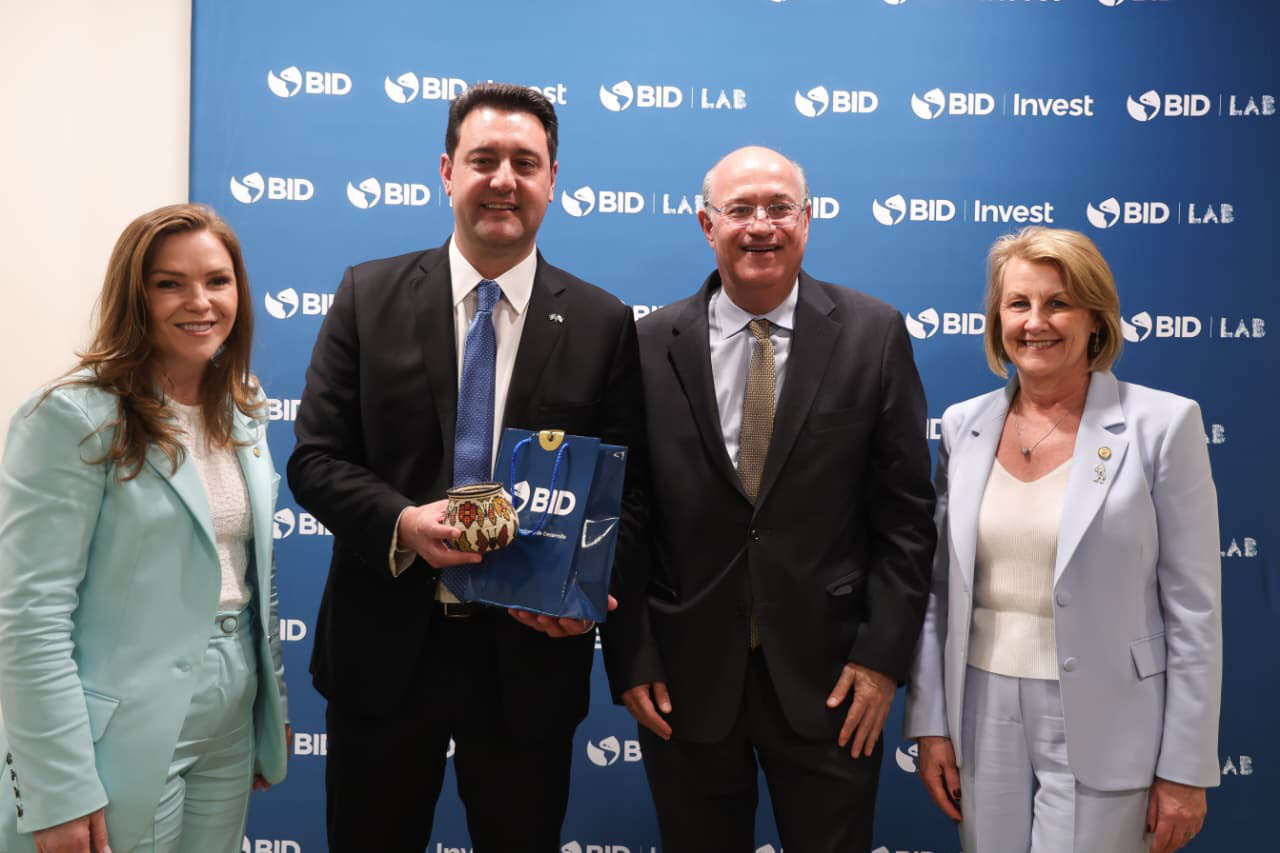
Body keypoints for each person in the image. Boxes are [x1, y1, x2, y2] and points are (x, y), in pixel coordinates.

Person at [287, 82, 645, 851]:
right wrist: (404, 523)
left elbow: (626, 492)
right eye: (484, 160)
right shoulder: (367, 295)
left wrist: (583, 593)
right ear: (447, 172)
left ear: (553, 179)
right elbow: (315, 460)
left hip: (528, 660)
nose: (503, 179)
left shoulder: (602, 322)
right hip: (384, 653)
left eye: (525, 162)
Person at [601, 146, 936, 852]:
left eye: (780, 208)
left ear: (807, 220)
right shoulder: (647, 344)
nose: (761, 225)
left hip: (834, 681)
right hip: (685, 682)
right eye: (740, 209)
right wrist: (631, 657)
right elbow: (625, 515)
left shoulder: (873, 335)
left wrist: (882, 659)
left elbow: (906, 519)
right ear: (707, 224)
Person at [904, 226, 1222, 853]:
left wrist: (1186, 766)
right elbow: (938, 591)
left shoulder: (1163, 425)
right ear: (997, 319)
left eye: (1059, 303)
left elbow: (1194, 610)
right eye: (1018, 304)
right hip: (980, 710)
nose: (1035, 322)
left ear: (1096, 320)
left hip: (1112, 715)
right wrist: (932, 724)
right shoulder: (964, 426)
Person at [0, 203, 290, 853]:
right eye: (169, 283)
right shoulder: (70, 416)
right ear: (135, 297)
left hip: (230, 712)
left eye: (217, 280)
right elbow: (30, 616)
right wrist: (56, 788)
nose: (200, 301)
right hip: (119, 725)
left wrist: (267, 710)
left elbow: (252, 576)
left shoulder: (243, 407)